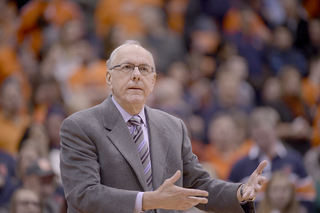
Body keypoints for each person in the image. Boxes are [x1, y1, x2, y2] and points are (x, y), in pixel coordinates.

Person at [59, 40, 267, 213]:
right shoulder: (79, 126)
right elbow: (83, 194)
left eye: (145, 69)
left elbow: (197, 184)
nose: (136, 75)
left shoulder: (173, 126)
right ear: (109, 78)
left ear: (153, 81)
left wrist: (239, 192)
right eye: (127, 67)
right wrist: (149, 200)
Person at [228, 106, 315, 212]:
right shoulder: (240, 165)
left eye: (265, 133)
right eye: (257, 131)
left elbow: (308, 197)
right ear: (251, 132)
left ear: (276, 129)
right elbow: (229, 199)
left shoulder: (294, 160)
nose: (261, 134)